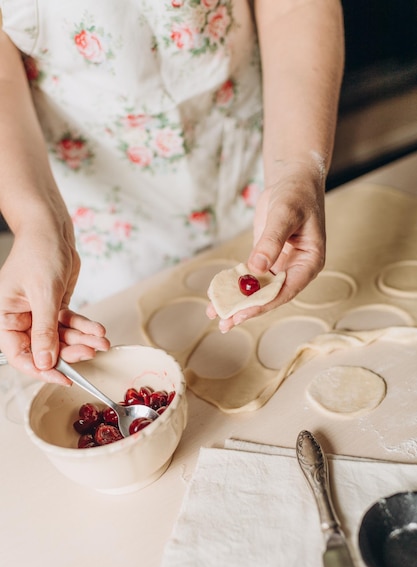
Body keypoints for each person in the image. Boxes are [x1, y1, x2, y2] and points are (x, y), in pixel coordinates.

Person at [0, 0, 344, 385]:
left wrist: (297, 169)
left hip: (252, 162)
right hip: (96, 219)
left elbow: (292, 9)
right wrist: (36, 222)